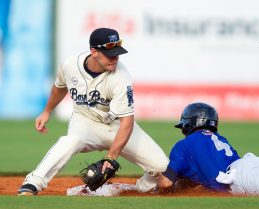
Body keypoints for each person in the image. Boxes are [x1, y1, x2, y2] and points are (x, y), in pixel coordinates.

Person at [18, 28, 169, 195]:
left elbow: (127, 122)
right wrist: (46, 111)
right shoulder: (70, 65)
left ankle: (137, 189)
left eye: (117, 54)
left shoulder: (121, 76)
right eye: (110, 54)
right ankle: (32, 183)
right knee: (70, 141)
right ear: (94, 51)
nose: (115, 58)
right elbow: (59, 87)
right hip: (85, 121)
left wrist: (111, 157)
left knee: (161, 166)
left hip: (116, 125)